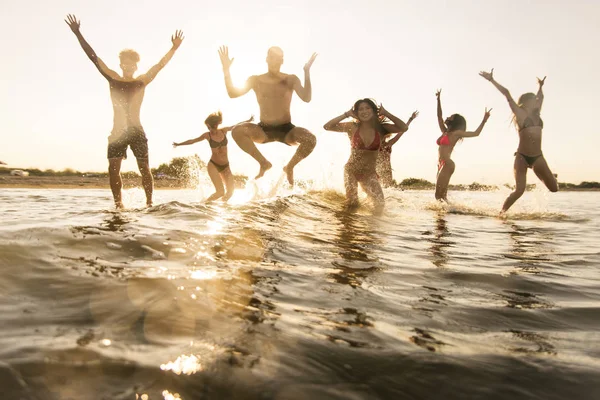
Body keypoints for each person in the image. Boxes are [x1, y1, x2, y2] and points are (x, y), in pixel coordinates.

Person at [65, 14, 184, 208]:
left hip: (136, 130)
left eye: (132, 64)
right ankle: (119, 205)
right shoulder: (112, 78)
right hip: (117, 132)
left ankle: (149, 203)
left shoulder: (142, 80)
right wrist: (78, 33)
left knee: (144, 168)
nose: (128, 67)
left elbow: (160, 65)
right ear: (121, 65)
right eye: (125, 64)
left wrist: (174, 48)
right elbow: (93, 57)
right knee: (113, 169)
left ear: (136, 66)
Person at [218, 46, 317, 185]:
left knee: (310, 139)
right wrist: (226, 70)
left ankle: (289, 166)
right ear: (266, 59)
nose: (275, 61)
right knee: (237, 131)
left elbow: (306, 97)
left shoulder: (291, 79)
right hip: (263, 130)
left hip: (287, 130)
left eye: (278, 58)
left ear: (282, 61)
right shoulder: (255, 80)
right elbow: (233, 93)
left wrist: (306, 72)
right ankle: (263, 163)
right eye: (272, 57)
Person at [479, 69, 558, 213]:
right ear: (527, 102)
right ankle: (501, 213)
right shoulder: (520, 114)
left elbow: (541, 97)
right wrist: (491, 80)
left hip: (537, 157)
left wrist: (540, 86)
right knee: (519, 190)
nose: (537, 101)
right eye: (534, 100)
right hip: (522, 157)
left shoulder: (537, 113)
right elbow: (506, 93)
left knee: (554, 189)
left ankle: (551, 176)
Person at [324, 99, 409, 210]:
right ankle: (347, 225)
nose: (364, 111)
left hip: (369, 174)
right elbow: (327, 126)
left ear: (373, 111)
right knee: (353, 203)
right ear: (357, 113)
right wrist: (346, 114)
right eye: (360, 109)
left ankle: (371, 227)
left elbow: (404, 128)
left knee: (380, 206)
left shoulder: (382, 129)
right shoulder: (352, 127)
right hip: (351, 171)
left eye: (367, 108)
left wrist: (386, 113)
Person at [173, 113, 253, 201]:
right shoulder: (207, 135)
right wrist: (179, 144)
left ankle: (223, 209)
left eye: (210, 127)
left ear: (215, 125)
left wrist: (248, 121)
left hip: (226, 166)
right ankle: (205, 205)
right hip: (213, 165)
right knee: (220, 192)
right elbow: (193, 141)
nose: (209, 129)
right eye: (208, 128)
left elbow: (236, 126)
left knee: (230, 192)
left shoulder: (224, 131)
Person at [435, 89, 491, 201]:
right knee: (441, 196)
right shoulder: (445, 132)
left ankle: (444, 216)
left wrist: (484, 120)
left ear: (455, 121)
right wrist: (438, 100)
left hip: (447, 164)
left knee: (439, 196)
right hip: (442, 164)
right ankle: (446, 215)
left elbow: (476, 133)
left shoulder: (456, 133)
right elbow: (439, 117)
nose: (448, 117)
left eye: (451, 116)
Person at [377, 110, 419, 187]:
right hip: (375, 170)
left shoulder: (389, 144)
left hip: (387, 170)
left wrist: (410, 119)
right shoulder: (373, 146)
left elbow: (400, 133)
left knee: (387, 189)